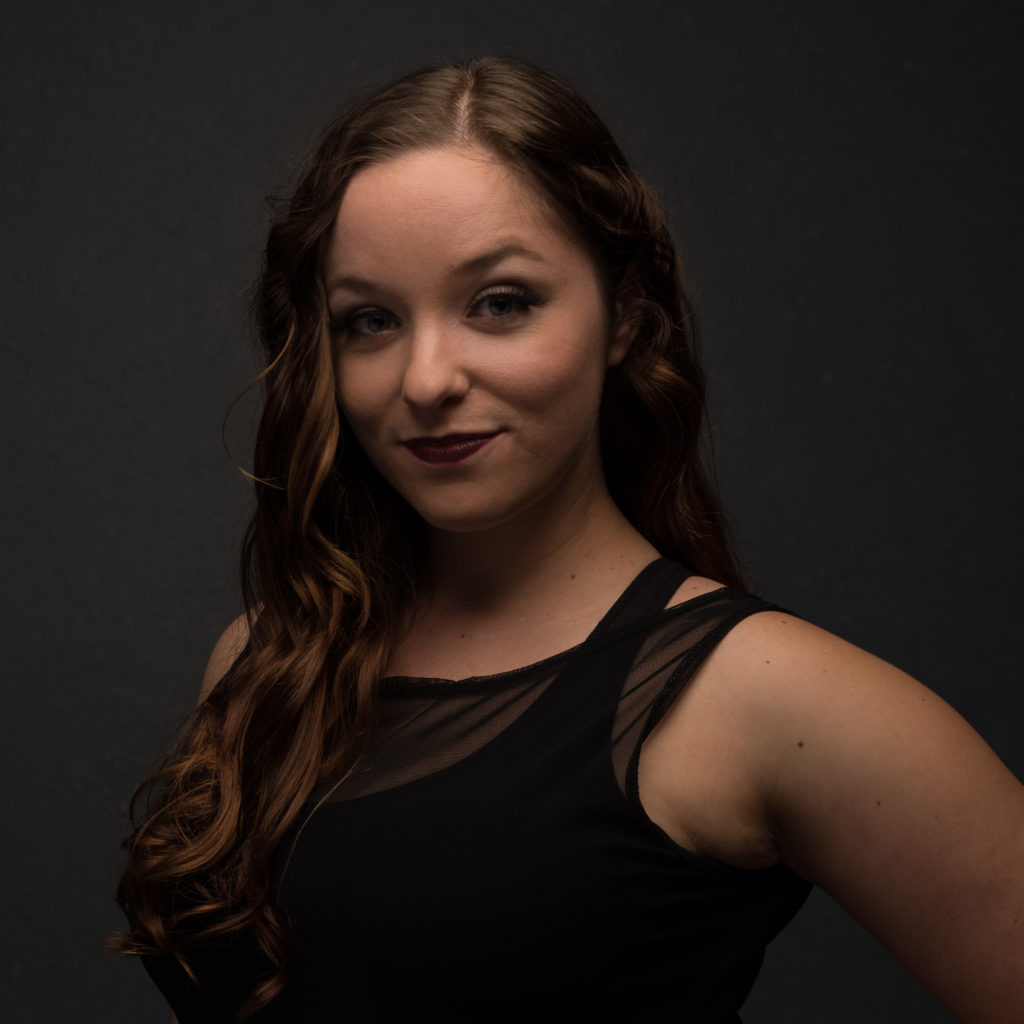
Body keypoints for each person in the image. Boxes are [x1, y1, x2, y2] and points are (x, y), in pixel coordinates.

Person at [112, 56, 1024, 1023]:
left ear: (625, 312)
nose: (426, 379)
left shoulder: (756, 696)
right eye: (370, 321)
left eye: (500, 303)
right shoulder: (266, 661)